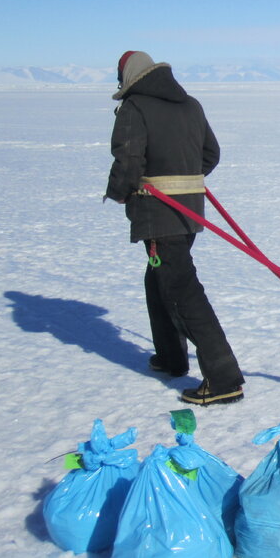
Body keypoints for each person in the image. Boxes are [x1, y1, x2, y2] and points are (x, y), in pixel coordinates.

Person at [105, 50, 245, 405]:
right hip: (188, 212)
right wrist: (184, 181)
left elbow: (128, 159)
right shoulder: (191, 104)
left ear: (127, 77)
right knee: (159, 279)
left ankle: (224, 379)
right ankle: (171, 357)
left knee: (181, 288)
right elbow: (210, 154)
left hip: (157, 212)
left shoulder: (135, 108)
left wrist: (120, 193)